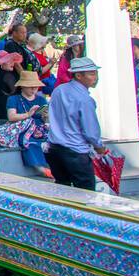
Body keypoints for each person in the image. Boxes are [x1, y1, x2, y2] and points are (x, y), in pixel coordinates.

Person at [46, 57, 109, 190]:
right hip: (75, 151)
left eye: (95, 73)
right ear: (79, 75)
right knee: (85, 192)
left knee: (63, 190)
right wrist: (99, 147)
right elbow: (91, 131)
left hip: (54, 149)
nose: (95, 77)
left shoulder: (59, 90)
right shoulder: (85, 99)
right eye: (91, 74)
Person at [4, 70, 50, 178]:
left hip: (39, 128)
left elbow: (46, 119)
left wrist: (46, 116)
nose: (34, 89)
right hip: (22, 128)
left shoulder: (41, 99)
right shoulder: (13, 99)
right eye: (30, 86)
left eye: (36, 86)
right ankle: (39, 167)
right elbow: (11, 116)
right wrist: (28, 114)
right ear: (22, 86)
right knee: (27, 140)